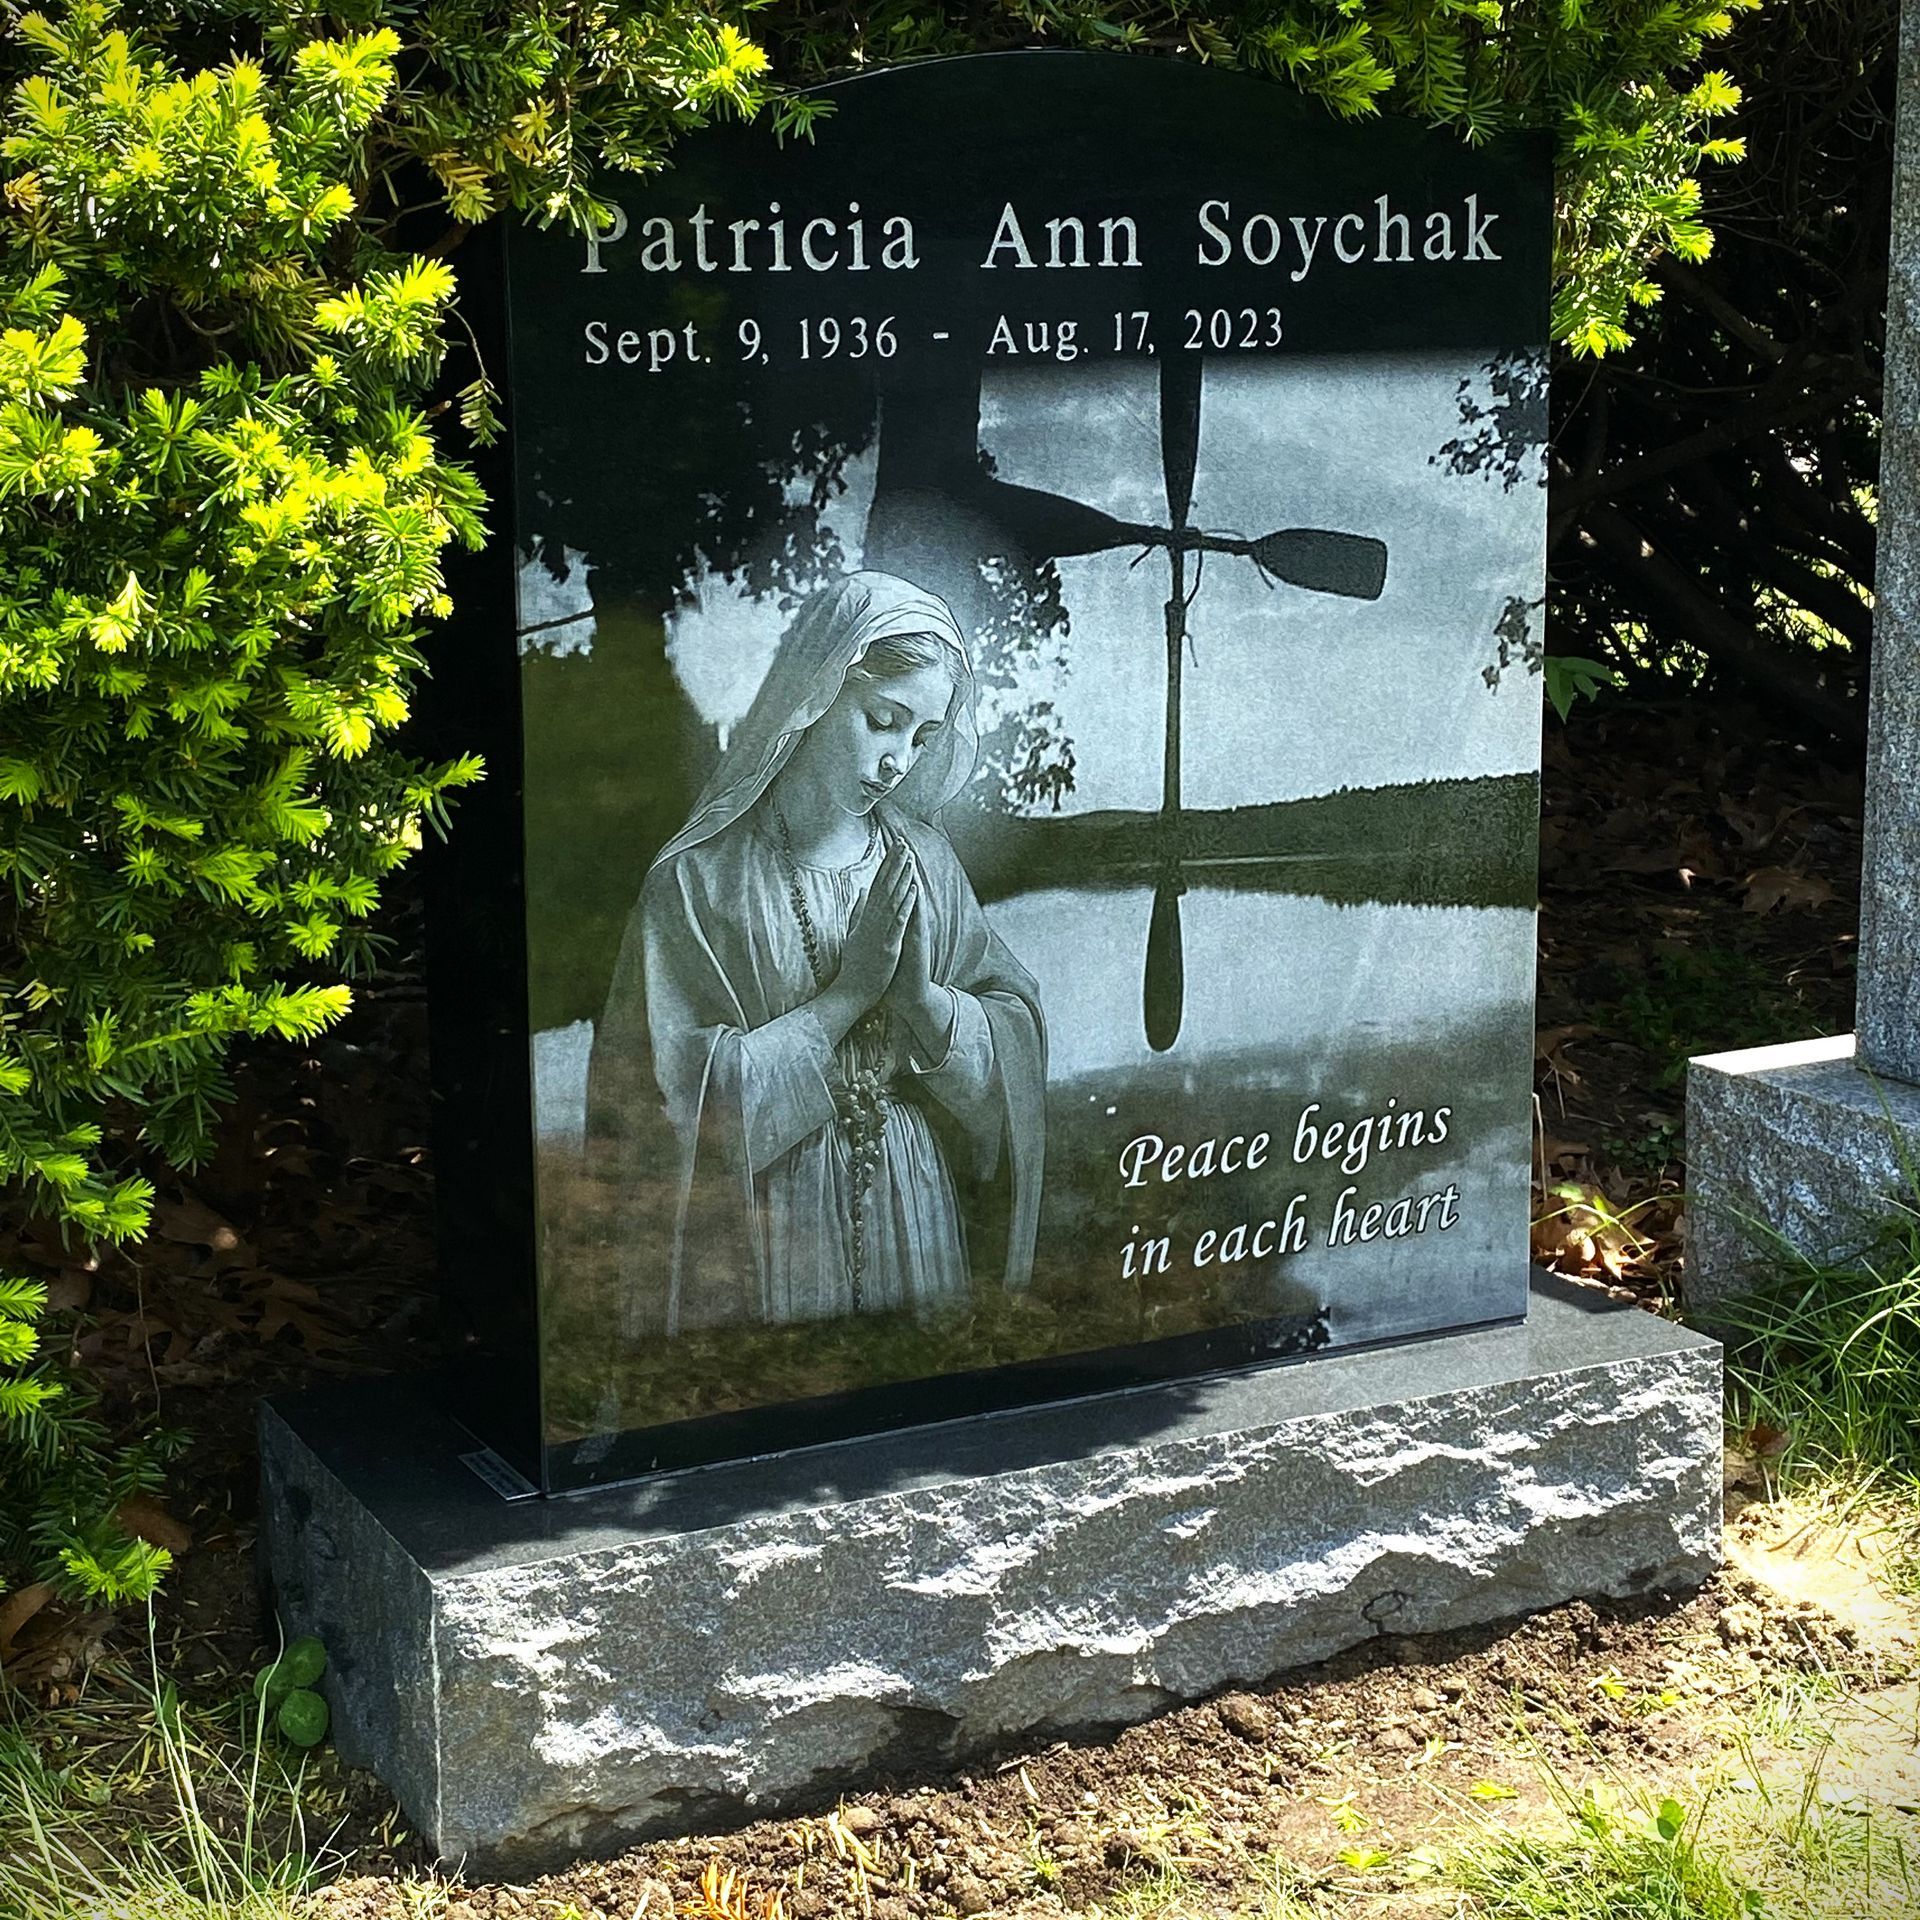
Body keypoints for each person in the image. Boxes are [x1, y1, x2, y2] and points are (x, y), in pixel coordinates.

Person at [586, 570, 1046, 1337]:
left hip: (913, 1194)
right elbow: (656, 1104)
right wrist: (845, 999)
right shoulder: (700, 879)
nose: (901, 758)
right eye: (883, 719)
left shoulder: (926, 863)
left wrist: (925, 1003)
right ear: (818, 692)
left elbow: (1012, 1049)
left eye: (923, 737)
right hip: (770, 1220)